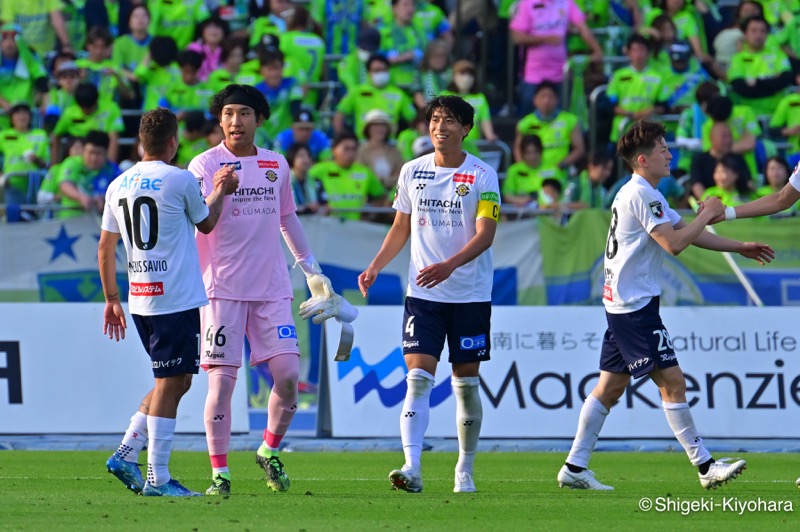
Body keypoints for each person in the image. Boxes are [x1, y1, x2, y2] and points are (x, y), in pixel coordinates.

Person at [558, 120, 774, 492]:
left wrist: (739, 246)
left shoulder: (643, 192)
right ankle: (705, 466)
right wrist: (707, 211)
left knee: (609, 387)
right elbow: (674, 244)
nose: (669, 154)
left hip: (624, 303)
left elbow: (685, 231)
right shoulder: (641, 194)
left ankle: (575, 467)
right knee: (672, 382)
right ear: (643, 159)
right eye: (663, 149)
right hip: (635, 307)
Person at [188, 84, 353, 497]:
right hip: (221, 290)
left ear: (259, 119)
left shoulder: (275, 164)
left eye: (244, 113)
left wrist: (312, 271)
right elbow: (198, 221)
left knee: (289, 376)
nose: (234, 121)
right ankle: (220, 473)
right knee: (222, 384)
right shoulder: (204, 164)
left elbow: (287, 220)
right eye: (227, 113)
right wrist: (218, 191)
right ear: (219, 119)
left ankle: (269, 449)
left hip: (272, 288)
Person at [357, 94, 501, 494]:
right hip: (423, 296)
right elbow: (401, 227)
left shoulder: (483, 175)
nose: (440, 127)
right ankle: (412, 466)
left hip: (469, 295)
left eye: (450, 120)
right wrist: (376, 265)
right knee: (417, 379)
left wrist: (450, 265)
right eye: (435, 119)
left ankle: (464, 469)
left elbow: (485, 235)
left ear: (466, 128)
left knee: (465, 384)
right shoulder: (412, 171)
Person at [99, 107, 237, 497]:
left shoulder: (118, 183)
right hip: (173, 298)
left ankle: (126, 452)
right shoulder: (179, 179)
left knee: (174, 381)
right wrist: (221, 188)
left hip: (140, 298)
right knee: (171, 382)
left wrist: (112, 298)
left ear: (141, 142)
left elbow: (105, 247)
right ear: (173, 142)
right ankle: (157, 477)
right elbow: (207, 221)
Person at [509, 0, 602, 117]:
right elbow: (517, 37)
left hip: (560, 73)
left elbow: (583, 29)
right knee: (530, 118)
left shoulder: (567, 3)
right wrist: (545, 39)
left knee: (563, 117)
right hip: (533, 74)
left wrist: (597, 50)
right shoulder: (528, 4)